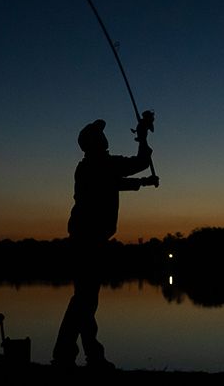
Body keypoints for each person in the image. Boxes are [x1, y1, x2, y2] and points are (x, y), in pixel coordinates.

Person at [52, 117, 158, 369]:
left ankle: (86, 355)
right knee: (84, 300)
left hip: (83, 238)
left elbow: (114, 182)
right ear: (94, 143)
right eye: (99, 135)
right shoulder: (102, 164)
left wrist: (142, 183)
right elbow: (140, 163)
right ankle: (68, 354)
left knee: (85, 299)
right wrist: (143, 137)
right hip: (89, 240)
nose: (104, 138)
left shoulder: (91, 166)